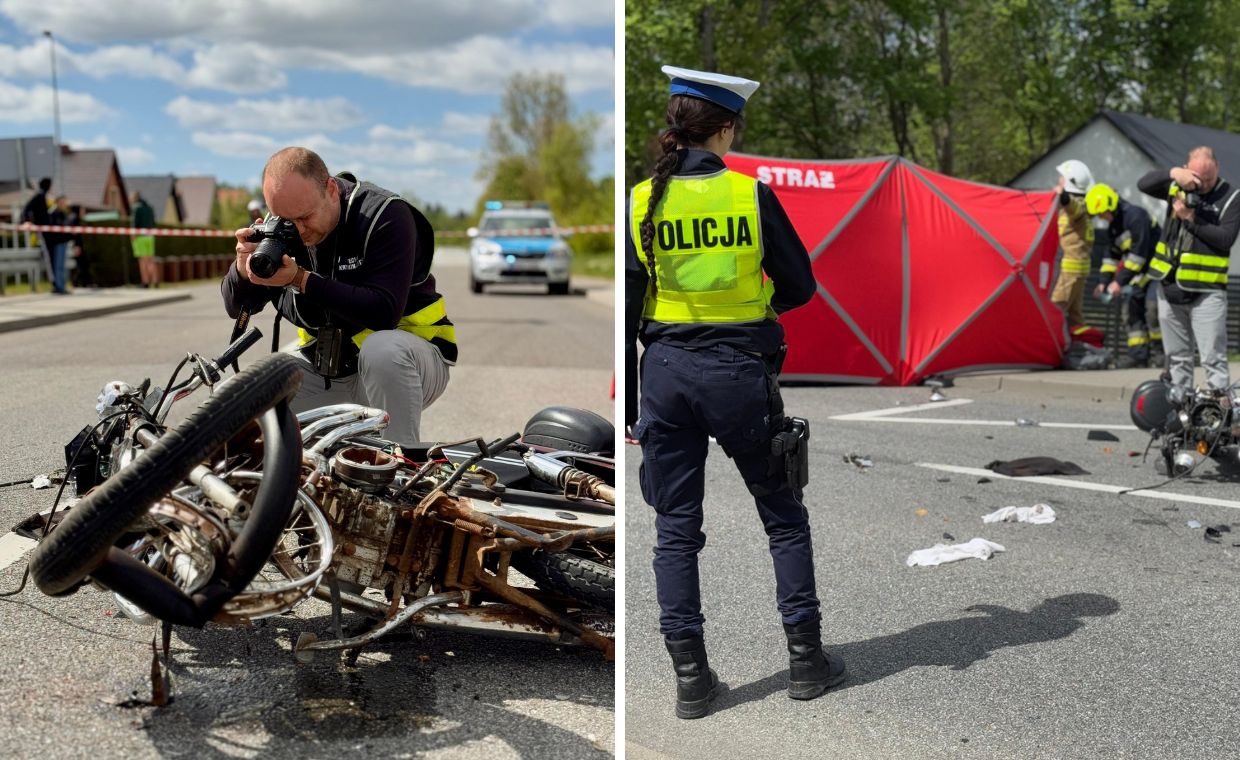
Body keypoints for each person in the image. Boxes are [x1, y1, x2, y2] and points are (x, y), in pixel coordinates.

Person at [625, 65, 843, 720]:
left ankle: (692, 681)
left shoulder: (640, 200)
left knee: (675, 529)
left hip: (664, 375)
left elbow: (628, 309)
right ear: (725, 127)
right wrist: (751, 307)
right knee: (782, 517)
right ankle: (806, 663)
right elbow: (801, 286)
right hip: (739, 373)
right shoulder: (750, 195)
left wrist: (635, 402)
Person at [221, 146, 455, 446]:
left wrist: (301, 279)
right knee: (239, 399)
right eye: (287, 220)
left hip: (409, 367)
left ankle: (398, 463)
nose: (300, 231)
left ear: (331, 189)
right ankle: (272, 485)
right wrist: (242, 272)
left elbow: (383, 312)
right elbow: (238, 308)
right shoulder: (281, 227)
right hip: (329, 373)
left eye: (305, 217)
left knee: (381, 350)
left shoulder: (384, 215)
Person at [1138, 146, 1240, 397]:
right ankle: (1179, 419)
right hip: (1169, 289)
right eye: (1197, 178)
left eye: (1209, 179)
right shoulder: (1177, 185)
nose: (1203, 185)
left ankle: (1221, 421)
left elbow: (1225, 239)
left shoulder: (1231, 196)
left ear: (1217, 169)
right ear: (1187, 170)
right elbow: (1144, 184)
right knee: (1177, 359)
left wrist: (1191, 220)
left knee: (1213, 360)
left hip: (1206, 293)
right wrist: (1174, 174)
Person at [1086, 183, 1164, 368]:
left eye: (1103, 213)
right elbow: (1110, 257)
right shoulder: (1114, 227)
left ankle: (1162, 355)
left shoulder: (1136, 216)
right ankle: (1138, 356)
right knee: (1130, 312)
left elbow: (1138, 255)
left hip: (1158, 271)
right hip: (1139, 275)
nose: (1101, 218)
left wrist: (1118, 282)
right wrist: (1104, 283)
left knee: (1153, 310)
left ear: (1112, 205)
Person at [1051, 160, 1095, 338]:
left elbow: (1072, 208)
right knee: (1075, 317)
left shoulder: (1077, 204)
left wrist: (1062, 196)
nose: (1059, 179)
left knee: (1056, 309)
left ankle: (1052, 346)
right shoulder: (1082, 204)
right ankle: (1079, 347)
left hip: (1070, 270)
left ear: (1069, 181)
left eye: (1062, 177)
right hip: (1076, 269)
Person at [23, 177, 54, 290]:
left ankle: (53, 281)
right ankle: (53, 282)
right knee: (47, 254)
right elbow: (27, 208)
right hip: (42, 230)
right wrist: (28, 221)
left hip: (45, 230)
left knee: (49, 252)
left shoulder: (43, 196)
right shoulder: (39, 196)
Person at [130, 191, 159, 288]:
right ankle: (155, 281)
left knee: (143, 261)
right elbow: (154, 223)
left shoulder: (136, 208)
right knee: (150, 260)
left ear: (135, 198)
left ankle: (145, 282)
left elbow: (134, 224)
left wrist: (133, 238)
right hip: (150, 236)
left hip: (141, 237)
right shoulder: (150, 208)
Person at [45, 195, 72, 294]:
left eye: (64, 202)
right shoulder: (53, 213)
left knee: (62, 265)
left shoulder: (63, 213)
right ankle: (59, 286)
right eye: (62, 201)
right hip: (57, 243)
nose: (64, 204)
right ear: (57, 202)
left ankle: (61, 285)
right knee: (58, 265)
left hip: (63, 242)